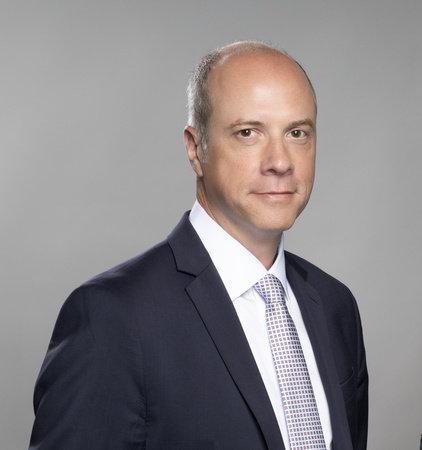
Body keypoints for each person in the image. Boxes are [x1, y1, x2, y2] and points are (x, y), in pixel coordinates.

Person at [29, 40, 368, 450]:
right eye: (248, 133)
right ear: (195, 148)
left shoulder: (334, 306)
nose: (280, 162)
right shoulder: (113, 317)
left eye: (297, 133)